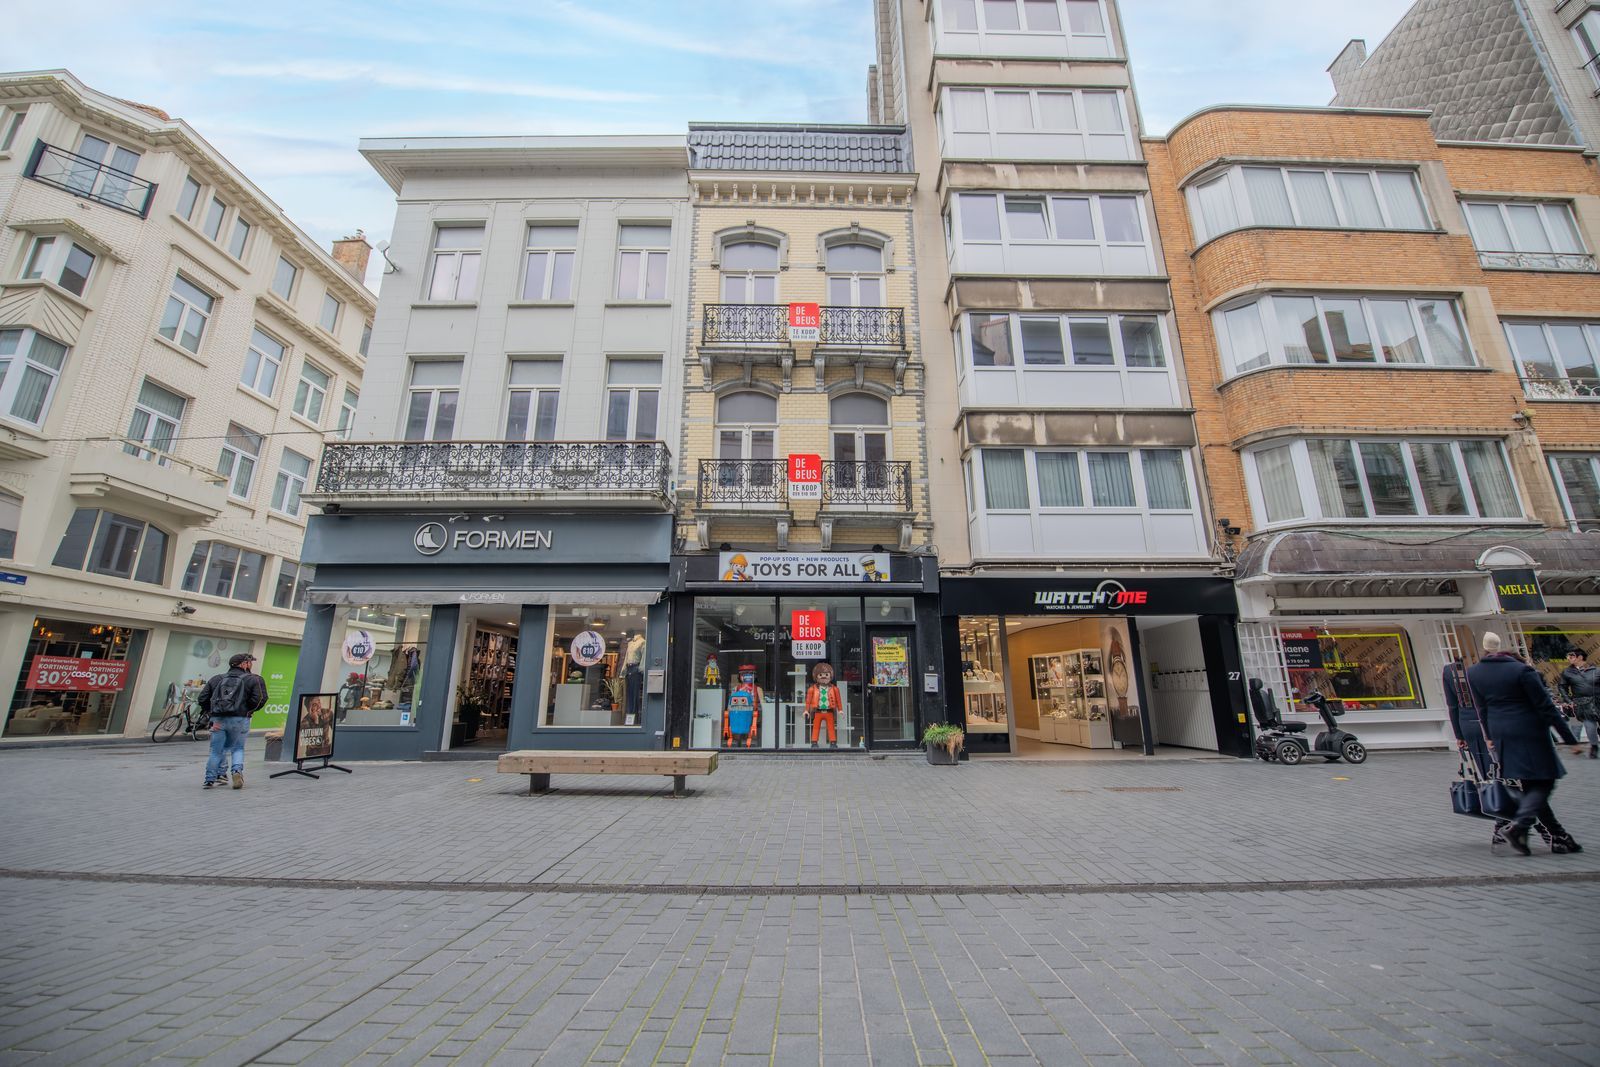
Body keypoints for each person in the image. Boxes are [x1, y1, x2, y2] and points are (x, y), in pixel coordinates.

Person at [1466, 633, 1582, 856]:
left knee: (1530, 786)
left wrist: (1489, 735)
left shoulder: (1474, 673)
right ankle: (1519, 827)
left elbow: (1482, 708)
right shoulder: (1522, 671)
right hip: (1529, 731)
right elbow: (1545, 706)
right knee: (1545, 782)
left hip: (1501, 734)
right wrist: (1569, 739)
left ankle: (1559, 837)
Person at [199, 652, 269, 790]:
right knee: (237, 748)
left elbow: (202, 698)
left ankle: (209, 779)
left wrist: (212, 713)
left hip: (218, 719)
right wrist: (248, 711)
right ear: (244, 664)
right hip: (240, 719)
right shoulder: (254, 679)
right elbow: (261, 698)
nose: (251, 665)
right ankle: (236, 771)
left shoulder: (216, 679)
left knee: (215, 750)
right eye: (250, 662)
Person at [1558, 648, 1600, 760]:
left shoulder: (1596, 670)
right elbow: (1562, 687)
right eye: (1568, 656)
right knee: (1589, 726)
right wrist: (1568, 701)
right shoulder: (1567, 672)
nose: (1568, 658)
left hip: (1598, 700)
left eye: (1571, 656)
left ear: (1580, 657)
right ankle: (1594, 747)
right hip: (1582, 703)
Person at [806, 662, 842, 749]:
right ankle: (814, 742)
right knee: (816, 727)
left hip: (829, 712)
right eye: (820, 674)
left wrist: (840, 709)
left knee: (831, 727)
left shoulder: (834, 689)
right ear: (816, 676)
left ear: (830, 676)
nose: (824, 676)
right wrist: (806, 710)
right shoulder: (812, 689)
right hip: (818, 711)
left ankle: (833, 742)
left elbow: (838, 700)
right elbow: (808, 701)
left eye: (826, 674)